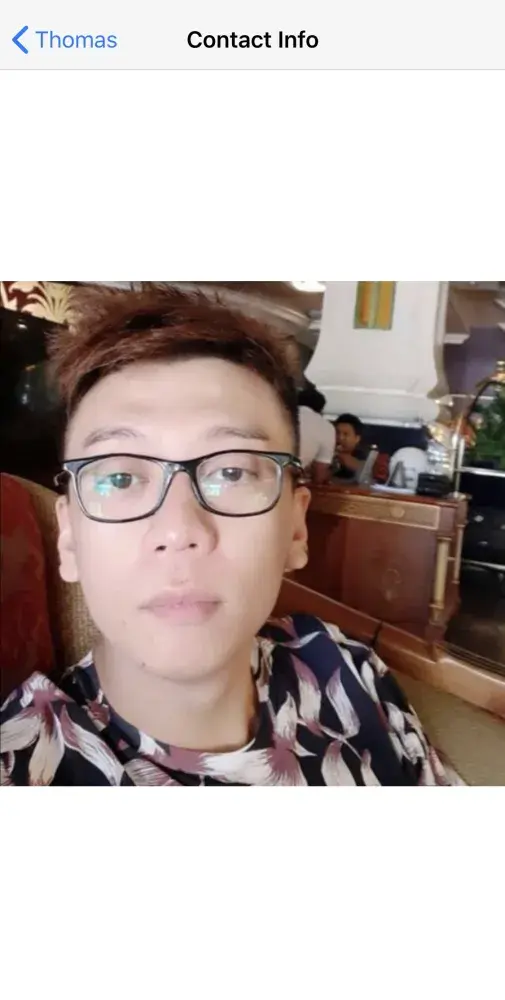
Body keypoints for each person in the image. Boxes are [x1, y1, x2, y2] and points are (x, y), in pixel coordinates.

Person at [0, 287, 460, 785]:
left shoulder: (348, 671)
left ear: (296, 528)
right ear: (69, 538)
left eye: (232, 472)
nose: (179, 530)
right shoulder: (23, 766)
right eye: (120, 478)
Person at [298, 387, 336, 485]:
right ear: (321, 409)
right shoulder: (326, 427)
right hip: (289, 482)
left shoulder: (280, 415)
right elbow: (320, 474)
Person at [332, 413, 369, 481]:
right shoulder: (327, 452)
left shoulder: (363, 456)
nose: (340, 437)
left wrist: (339, 454)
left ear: (357, 438)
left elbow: (364, 471)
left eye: (345, 434)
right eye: (337, 433)